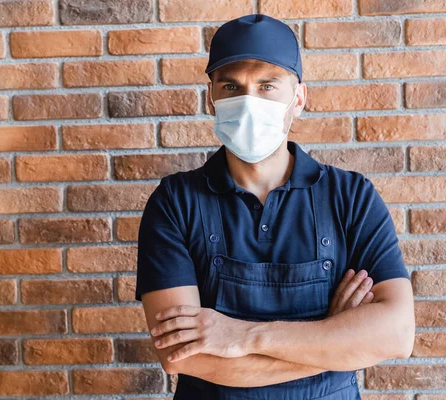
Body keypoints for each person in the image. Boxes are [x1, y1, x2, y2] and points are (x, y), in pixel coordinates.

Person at [135, 13, 415, 400]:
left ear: (298, 98)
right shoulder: (175, 203)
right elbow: (181, 356)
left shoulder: (351, 197)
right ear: (211, 98)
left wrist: (241, 336)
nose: (249, 102)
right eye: (232, 86)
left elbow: (397, 334)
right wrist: (337, 342)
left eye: (267, 86)